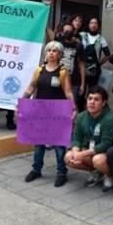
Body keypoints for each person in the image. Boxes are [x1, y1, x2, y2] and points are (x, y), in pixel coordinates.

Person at [23, 41, 75, 187]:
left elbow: (68, 92)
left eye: (55, 51)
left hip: (57, 112)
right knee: (39, 143)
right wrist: (22, 101)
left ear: (60, 54)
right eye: (49, 50)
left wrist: (73, 108)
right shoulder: (39, 70)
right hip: (40, 111)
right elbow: (31, 87)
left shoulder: (63, 72)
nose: (51, 53)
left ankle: (61, 172)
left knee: (59, 145)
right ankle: (36, 169)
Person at [65, 86, 113, 188]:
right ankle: (96, 173)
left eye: (96, 99)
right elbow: (77, 138)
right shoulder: (81, 116)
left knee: (98, 160)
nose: (92, 102)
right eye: (90, 98)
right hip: (89, 150)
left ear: (103, 103)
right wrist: (76, 153)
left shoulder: (110, 119)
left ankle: (110, 175)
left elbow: (106, 144)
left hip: (105, 153)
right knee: (68, 157)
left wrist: (82, 154)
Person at [56, 22, 86, 111]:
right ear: (62, 32)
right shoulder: (57, 44)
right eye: (66, 31)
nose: (68, 33)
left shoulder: (78, 45)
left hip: (74, 81)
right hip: (57, 79)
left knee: (71, 106)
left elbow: (81, 65)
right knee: (57, 105)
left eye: (70, 31)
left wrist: (82, 84)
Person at [80, 16, 111, 91]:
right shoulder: (82, 35)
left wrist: (99, 64)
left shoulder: (101, 39)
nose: (93, 25)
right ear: (88, 25)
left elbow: (108, 55)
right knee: (80, 91)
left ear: (98, 26)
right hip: (81, 68)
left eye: (95, 23)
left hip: (94, 70)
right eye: (91, 23)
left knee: (92, 90)